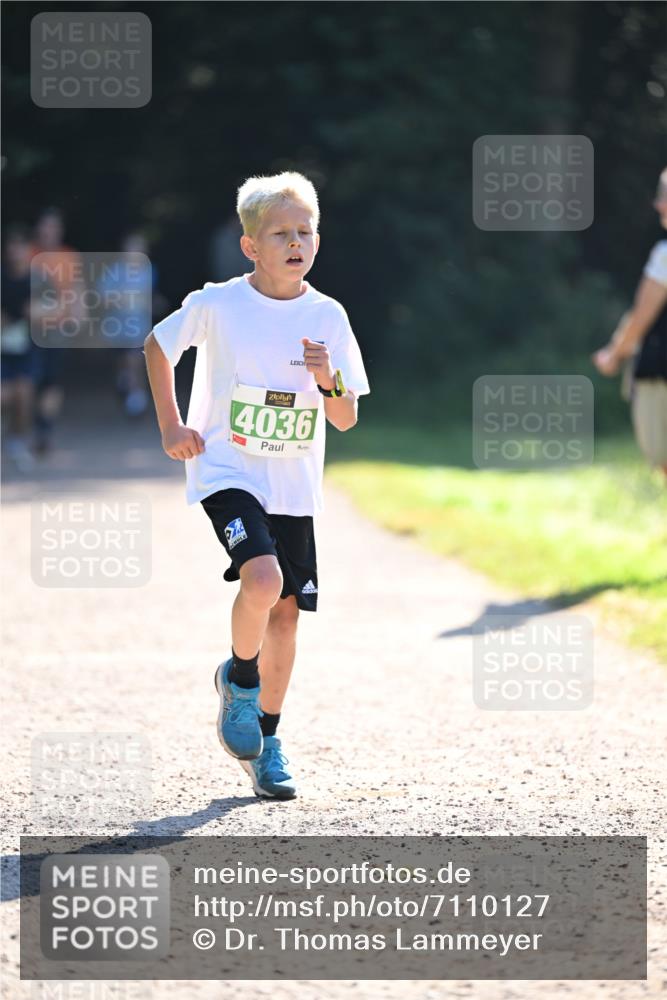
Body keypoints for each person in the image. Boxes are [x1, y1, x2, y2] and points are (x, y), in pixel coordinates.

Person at [144, 172, 370, 799]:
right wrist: (171, 426)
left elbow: (345, 417)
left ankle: (267, 743)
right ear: (250, 246)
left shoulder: (328, 316)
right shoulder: (219, 304)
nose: (296, 243)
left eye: (305, 232)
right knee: (263, 581)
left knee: (287, 620)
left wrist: (327, 379)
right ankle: (241, 682)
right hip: (228, 470)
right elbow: (158, 346)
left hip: (292, 485)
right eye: (280, 234)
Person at [592, 167, 667, 475]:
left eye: (665, 196)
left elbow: (641, 317)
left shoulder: (665, 255)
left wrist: (614, 353)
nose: (658, 204)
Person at [30, 208, 83, 455]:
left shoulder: (69, 256)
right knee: (30, 380)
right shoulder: (27, 253)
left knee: (51, 382)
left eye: (53, 227)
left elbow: (78, 289)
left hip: (58, 328)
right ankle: (29, 425)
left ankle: (44, 430)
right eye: (45, 226)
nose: (48, 231)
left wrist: (78, 317)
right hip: (29, 328)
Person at [1, 226, 37, 472]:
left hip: (27, 349)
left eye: (20, 246)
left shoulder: (37, 280)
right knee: (4, 396)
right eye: (11, 246)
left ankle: (17, 441)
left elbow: (52, 308)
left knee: (24, 395)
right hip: (3, 350)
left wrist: (37, 312)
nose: (15, 251)